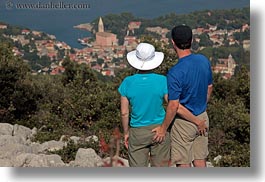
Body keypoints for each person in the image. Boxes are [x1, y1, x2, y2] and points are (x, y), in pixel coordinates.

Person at [152, 25, 213, 168]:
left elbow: (174, 105)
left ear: (173, 43)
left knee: (183, 162)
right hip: (202, 117)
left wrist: (163, 128)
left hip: (184, 123)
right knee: (200, 160)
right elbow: (209, 87)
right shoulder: (203, 60)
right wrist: (201, 106)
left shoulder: (175, 72)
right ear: (191, 41)